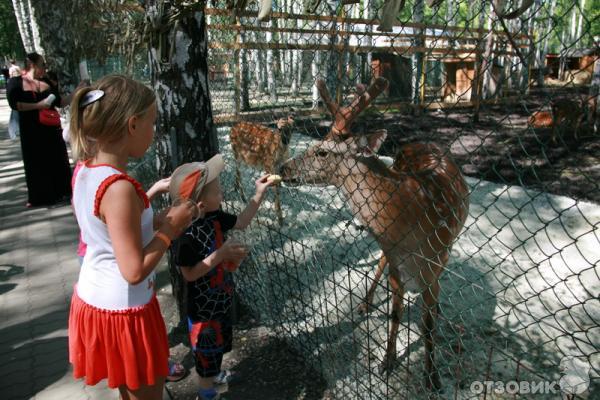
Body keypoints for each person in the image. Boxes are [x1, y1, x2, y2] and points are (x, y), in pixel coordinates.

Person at [68, 74, 197, 399]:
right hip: (125, 311)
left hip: (93, 300)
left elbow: (110, 229)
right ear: (132, 125)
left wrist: (154, 216)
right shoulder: (120, 188)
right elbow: (134, 270)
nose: (155, 132)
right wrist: (171, 228)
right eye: (152, 123)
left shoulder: (86, 169)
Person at [170, 155, 275, 400]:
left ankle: (215, 375)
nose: (222, 193)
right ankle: (206, 393)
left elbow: (241, 221)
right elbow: (189, 273)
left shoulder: (214, 218)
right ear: (200, 204)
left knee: (218, 347)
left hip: (220, 299)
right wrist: (221, 254)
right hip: (202, 310)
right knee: (205, 352)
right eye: (216, 191)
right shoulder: (186, 234)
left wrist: (258, 192)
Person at [6, 53, 72, 207]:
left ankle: (62, 192)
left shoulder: (47, 82)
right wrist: (38, 106)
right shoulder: (15, 83)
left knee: (57, 159)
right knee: (37, 162)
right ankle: (42, 197)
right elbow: (16, 104)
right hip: (32, 131)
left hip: (51, 129)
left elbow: (60, 102)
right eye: (42, 64)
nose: (45, 68)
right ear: (33, 65)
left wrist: (77, 93)